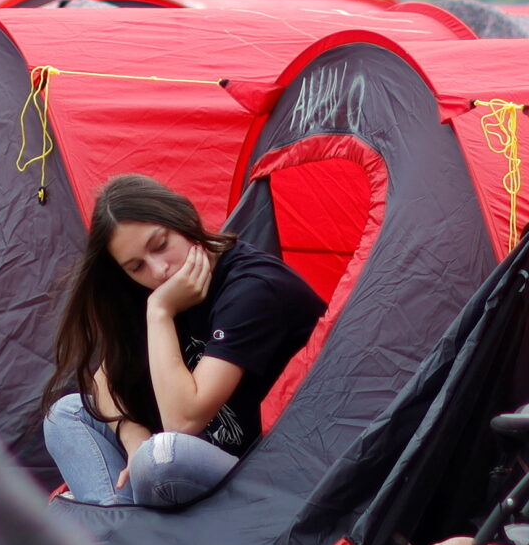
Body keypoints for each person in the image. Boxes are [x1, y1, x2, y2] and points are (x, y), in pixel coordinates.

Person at [42, 175, 326, 508]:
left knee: (161, 458)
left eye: (160, 244)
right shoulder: (153, 290)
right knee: (67, 414)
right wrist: (132, 435)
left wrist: (160, 312)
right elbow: (104, 380)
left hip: (268, 472)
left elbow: (182, 422)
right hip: (196, 467)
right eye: (136, 267)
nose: (159, 270)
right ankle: (132, 538)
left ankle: (127, 538)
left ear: (182, 218)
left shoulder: (253, 288)